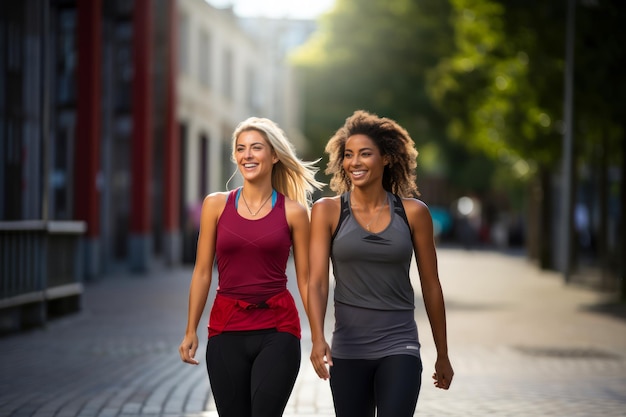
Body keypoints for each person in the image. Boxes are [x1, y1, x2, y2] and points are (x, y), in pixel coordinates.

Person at [307, 110, 454, 417]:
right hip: (348, 349)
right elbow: (318, 281)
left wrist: (443, 353)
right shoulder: (327, 211)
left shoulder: (414, 213)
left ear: (386, 158)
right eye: (348, 155)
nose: (354, 162)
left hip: (399, 345)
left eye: (365, 154)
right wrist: (318, 337)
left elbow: (431, 285)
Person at [179, 117, 324, 417]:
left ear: (273, 156)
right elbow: (203, 271)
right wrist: (190, 329)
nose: (247, 155)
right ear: (235, 156)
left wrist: (318, 337)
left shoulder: (295, 212)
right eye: (241, 148)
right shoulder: (215, 205)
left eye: (256, 148)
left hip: (279, 330)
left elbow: (307, 280)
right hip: (225, 330)